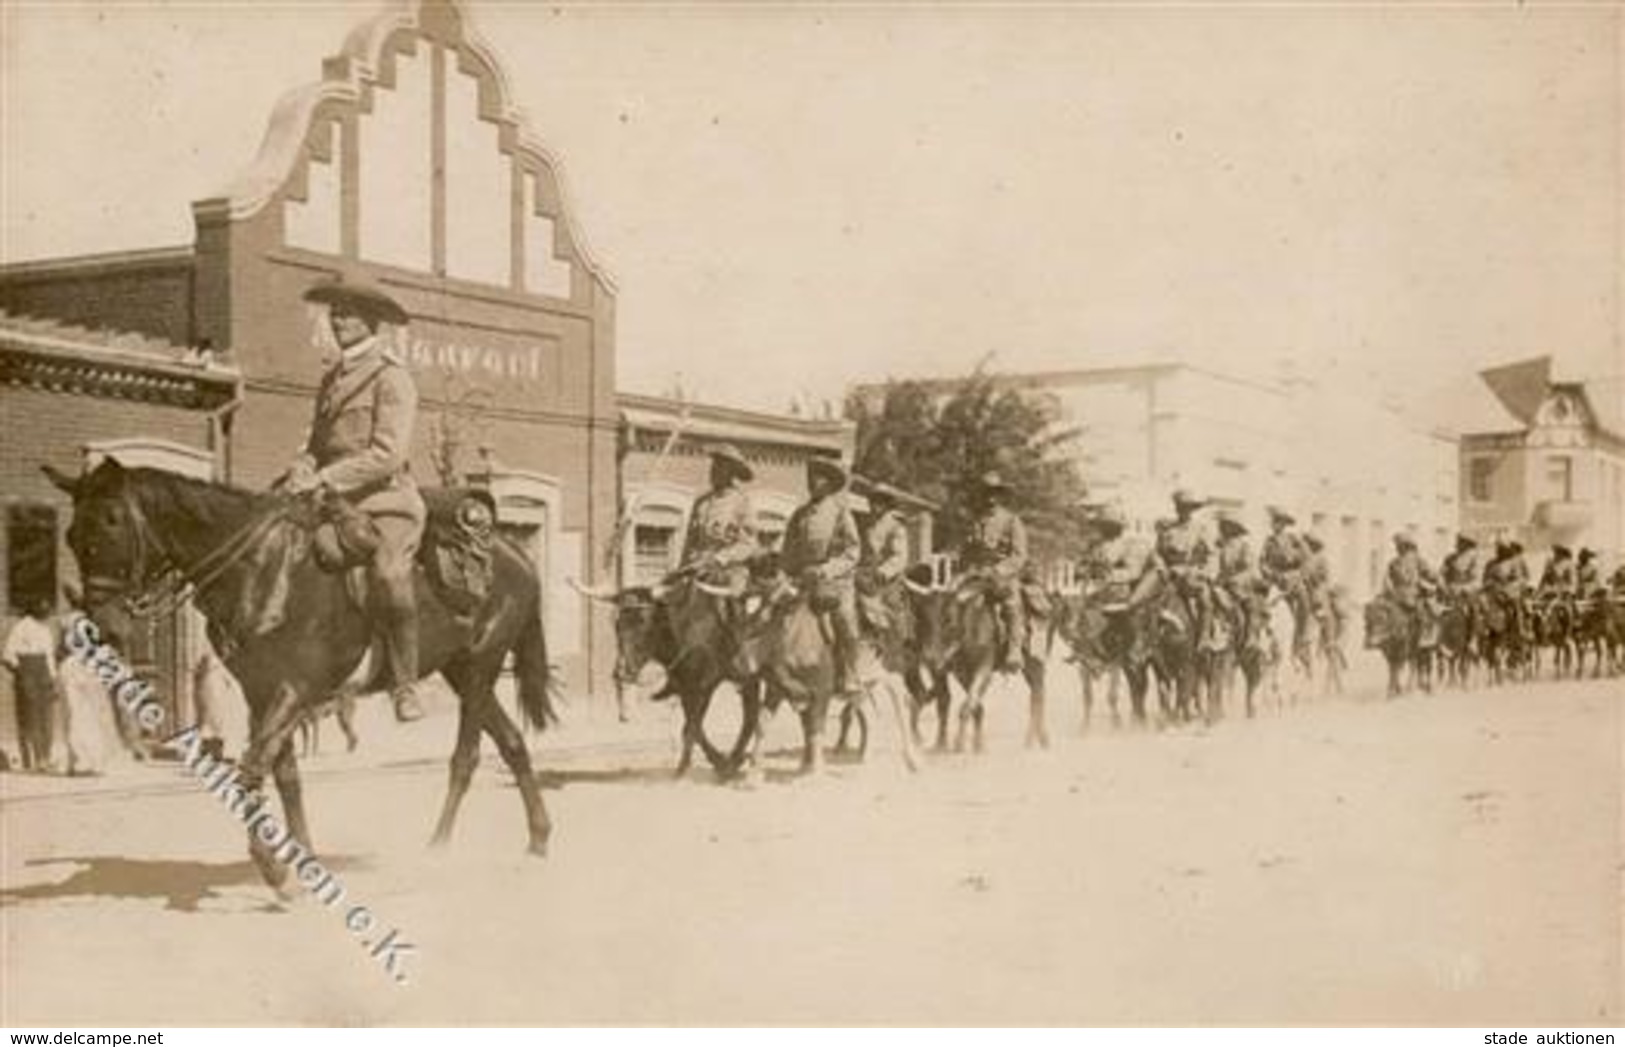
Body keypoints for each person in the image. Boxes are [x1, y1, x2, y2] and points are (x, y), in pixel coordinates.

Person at [278, 276, 426, 723]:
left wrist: (324, 477)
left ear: (371, 322)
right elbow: (316, 442)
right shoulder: (332, 379)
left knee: (389, 573)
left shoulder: (392, 377)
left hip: (386, 501)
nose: (337, 319)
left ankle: (405, 683)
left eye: (348, 313)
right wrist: (302, 467)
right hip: (332, 499)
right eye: (334, 312)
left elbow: (387, 454)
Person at [779, 459, 863, 696]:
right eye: (810, 475)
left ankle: (850, 671)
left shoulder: (840, 512)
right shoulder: (799, 515)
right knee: (770, 608)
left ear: (829, 484)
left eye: (819, 477)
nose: (812, 481)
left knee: (844, 619)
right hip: (803, 578)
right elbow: (788, 551)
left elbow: (852, 552)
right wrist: (786, 573)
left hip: (835, 581)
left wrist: (827, 569)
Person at [958, 471, 1031, 671]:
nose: (990, 498)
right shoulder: (975, 521)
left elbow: (1019, 555)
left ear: (1001, 496)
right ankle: (952, 646)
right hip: (977, 575)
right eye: (986, 493)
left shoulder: (1011, 521)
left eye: (994, 493)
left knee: (1012, 603)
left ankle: (1014, 651)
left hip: (1003, 576)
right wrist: (965, 568)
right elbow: (966, 551)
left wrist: (999, 570)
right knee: (953, 599)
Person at [676, 444, 760, 593]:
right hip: (698, 570)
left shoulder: (741, 502)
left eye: (720, 467)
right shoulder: (701, 503)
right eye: (713, 466)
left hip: (729, 572)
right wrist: (683, 569)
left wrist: (720, 559)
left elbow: (748, 544)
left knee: (724, 606)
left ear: (730, 472)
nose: (713, 472)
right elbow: (690, 543)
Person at [1136, 489, 1211, 636]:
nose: (1183, 510)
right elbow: (1156, 552)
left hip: (1191, 575)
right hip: (1166, 574)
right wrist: (1160, 565)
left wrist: (1198, 571)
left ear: (1192, 509)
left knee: (1205, 600)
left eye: (1187, 507)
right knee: (1141, 595)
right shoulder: (1168, 530)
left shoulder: (1201, 529)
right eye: (1180, 506)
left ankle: (1205, 638)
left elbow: (1210, 556)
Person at [2, 598, 58, 771]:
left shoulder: (46, 629)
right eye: (41, 607)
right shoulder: (21, 627)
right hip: (28, 672)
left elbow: (49, 657)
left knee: (47, 717)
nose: (46, 611)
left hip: (44, 674)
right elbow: (8, 655)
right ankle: (33, 759)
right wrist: (23, 672)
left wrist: (52, 678)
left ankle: (46, 757)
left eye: (47, 608)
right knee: (30, 717)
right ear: (32, 608)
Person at [855, 482, 914, 636]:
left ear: (888, 503)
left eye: (880, 501)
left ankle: (897, 646)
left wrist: (883, 572)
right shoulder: (868, 524)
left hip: (886, 578)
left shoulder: (895, 524)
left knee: (891, 608)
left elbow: (900, 555)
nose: (875, 504)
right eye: (873, 500)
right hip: (864, 573)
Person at [1211, 512, 1260, 652]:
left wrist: (1235, 580)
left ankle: (1251, 636)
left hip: (1241, 585)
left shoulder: (1244, 546)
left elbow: (1250, 569)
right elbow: (1216, 566)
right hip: (1222, 584)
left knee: (1249, 604)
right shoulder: (1219, 546)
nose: (1222, 528)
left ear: (1234, 528)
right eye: (1222, 526)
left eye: (1226, 526)